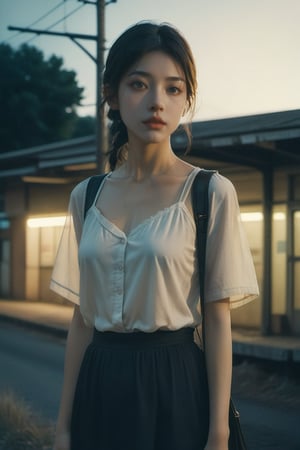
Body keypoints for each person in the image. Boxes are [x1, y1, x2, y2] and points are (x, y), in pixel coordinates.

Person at [50, 21, 259, 450]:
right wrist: (64, 427)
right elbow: (82, 320)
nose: (156, 102)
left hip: (176, 384)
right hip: (98, 384)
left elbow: (218, 320)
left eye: (173, 89)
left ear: (186, 100)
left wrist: (217, 432)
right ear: (111, 93)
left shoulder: (209, 192)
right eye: (139, 84)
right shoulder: (85, 197)